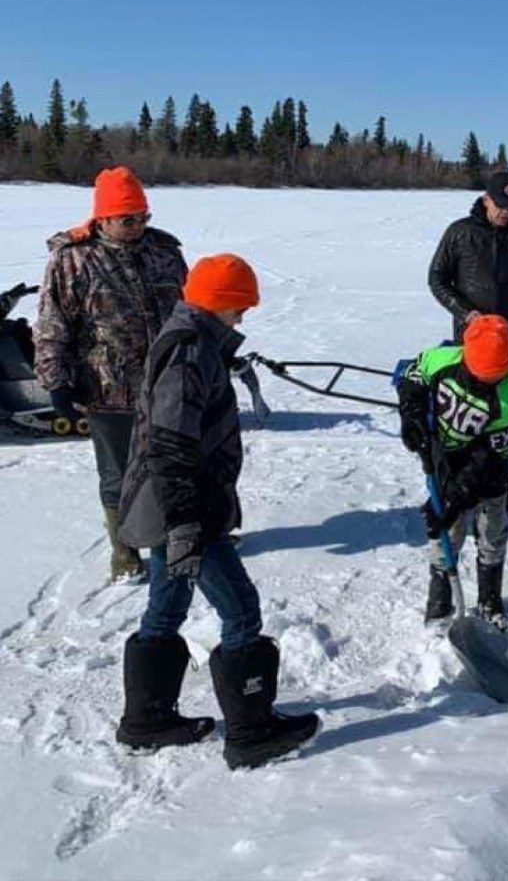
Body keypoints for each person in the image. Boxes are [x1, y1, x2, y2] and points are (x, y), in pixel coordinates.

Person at [114, 254, 319, 770]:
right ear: (219, 304)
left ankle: (148, 719)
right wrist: (186, 521)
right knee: (241, 609)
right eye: (239, 308)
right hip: (183, 507)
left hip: (174, 505)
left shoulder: (198, 342)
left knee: (167, 605)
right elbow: (168, 443)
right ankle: (252, 732)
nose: (243, 319)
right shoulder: (189, 353)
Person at [33, 166, 188, 581]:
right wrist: (57, 383)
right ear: (103, 218)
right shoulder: (72, 259)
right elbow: (52, 325)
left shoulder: (164, 251)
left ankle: (179, 538)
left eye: (143, 216)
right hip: (107, 388)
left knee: (176, 464)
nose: (138, 226)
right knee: (118, 474)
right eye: (128, 218)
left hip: (168, 384)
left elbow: (190, 311)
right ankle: (124, 552)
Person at [428, 171, 508, 512]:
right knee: (461, 423)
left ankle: (499, 492)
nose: (506, 213)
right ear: (486, 199)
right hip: (471, 347)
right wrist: (465, 311)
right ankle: (452, 491)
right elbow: (436, 279)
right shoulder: (460, 233)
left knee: (503, 429)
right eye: (500, 205)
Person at [397, 314, 508, 631]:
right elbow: (412, 377)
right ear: (466, 355)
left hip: (490, 475)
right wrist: (412, 416)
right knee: (446, 533)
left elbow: (490, 460)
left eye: (493, 377)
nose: (484, 382)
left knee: (491, 532)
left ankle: (490, 600)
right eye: (479, 374)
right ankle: (440, 599)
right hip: (445, 460)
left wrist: (457, 497)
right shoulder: (442, 359)